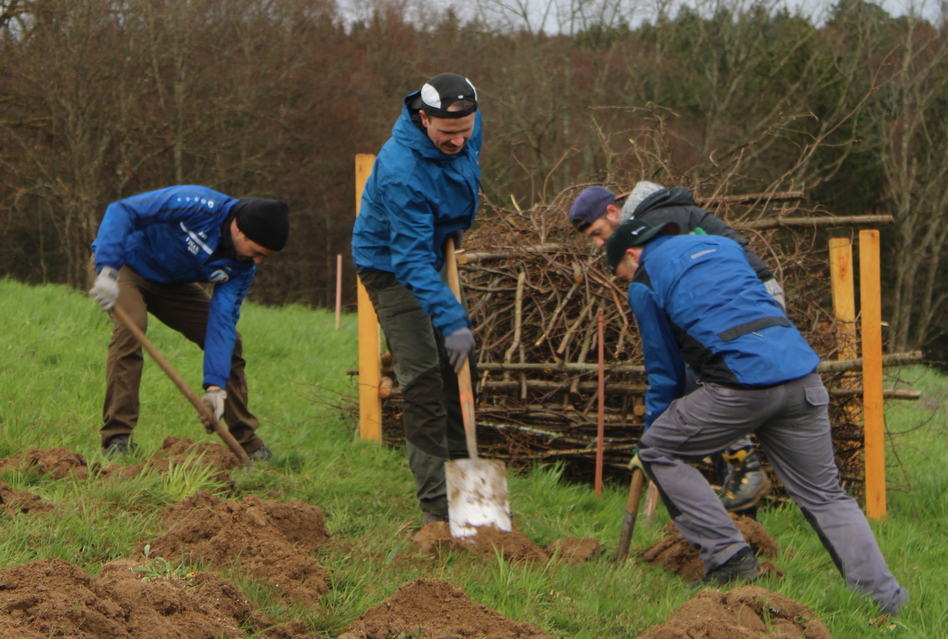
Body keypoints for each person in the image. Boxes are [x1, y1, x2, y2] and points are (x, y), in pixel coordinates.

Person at [605, 218, 907, 615]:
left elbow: (665, 371)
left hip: (740, 387)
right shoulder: (724, 249)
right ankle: (886, 603)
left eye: (620, 273)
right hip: (802, 379)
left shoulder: (645, 280)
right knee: (825, 495)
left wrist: (650, 435)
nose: (624, 280)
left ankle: (729, 558)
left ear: (631, 254)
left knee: (660, 450)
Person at [569, 182, 777, 511]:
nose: (598, 243)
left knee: (709, 382)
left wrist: (652, 436)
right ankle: (742, 494)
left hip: (753, 298)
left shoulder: (659, 223)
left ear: (612, 212)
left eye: (597, 232)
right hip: (740, 302)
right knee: (704, 386)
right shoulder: (655, 220)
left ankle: (744, 473)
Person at [352, 73, 481, 525]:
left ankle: (470, 492)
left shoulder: (465, 127)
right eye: (447, 134)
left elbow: (465, 151)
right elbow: (408, 261)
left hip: (434, 248)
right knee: (424, 378)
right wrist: (453, 319)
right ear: (423, 118)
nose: (457, 141)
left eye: (464, 131)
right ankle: (436, 511)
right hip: (391, 265)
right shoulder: (401, 171)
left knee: (459, 369)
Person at [89, 185, 289, 460]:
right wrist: (107, 268)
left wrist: (215, 386)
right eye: (256, 251)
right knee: (132, 328)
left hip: (172, 286)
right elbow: (122, 210)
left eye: (263, 256)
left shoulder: (242, 269)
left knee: (232, 343)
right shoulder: (197, 204)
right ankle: (116, 439)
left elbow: (221, 324)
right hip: (125, 265)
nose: (257, 260)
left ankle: (245, 441)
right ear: (239, 229)